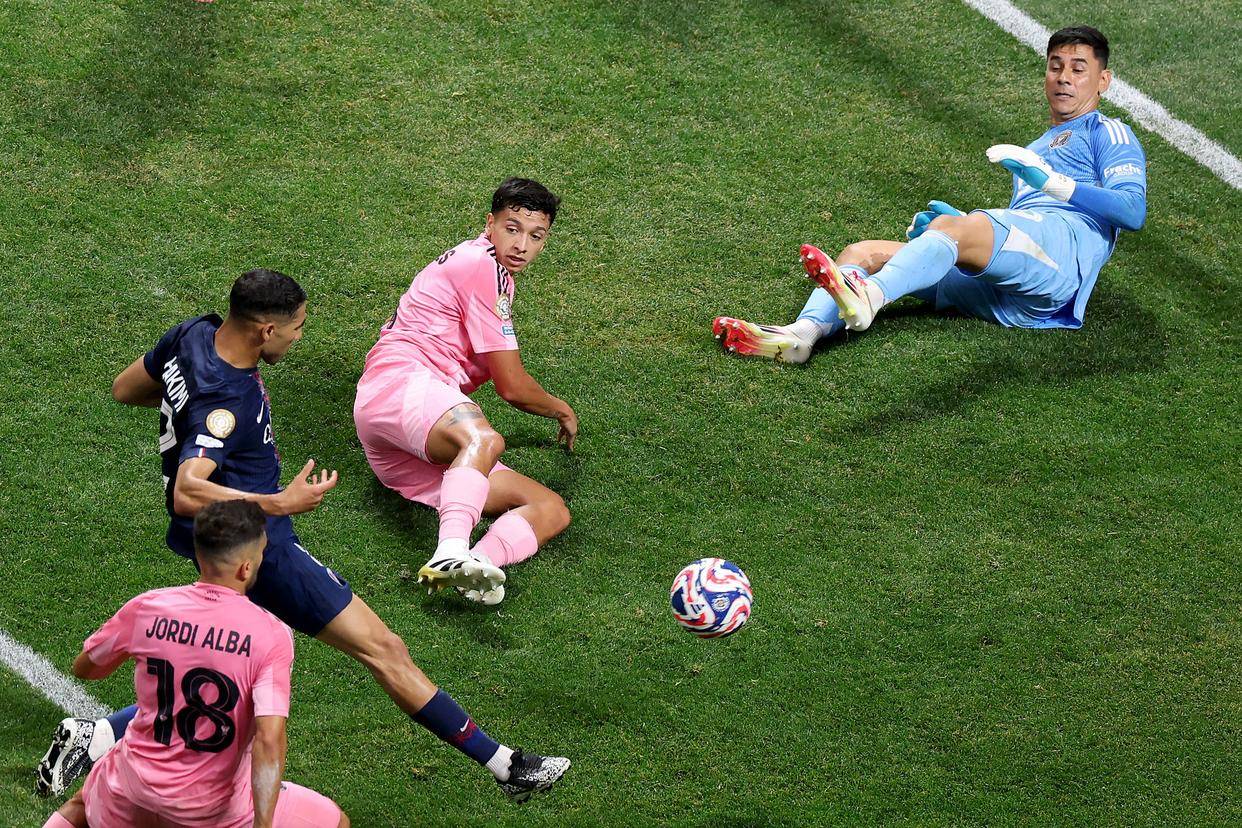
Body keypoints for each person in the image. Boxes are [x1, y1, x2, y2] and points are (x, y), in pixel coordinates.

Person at [37, 269, 569, 803]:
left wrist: (187, 407)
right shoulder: (227, 402)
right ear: (265, 330)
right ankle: (507, 766)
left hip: (213, 538)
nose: (298, 337)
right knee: (382, 649)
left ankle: (97, 736)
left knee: (240, 666)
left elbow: (126, 388)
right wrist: (279, 502)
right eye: (296, 327)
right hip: (258, 546)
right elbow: (187, 489)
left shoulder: (193, 334)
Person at [713, 26, 1146, 363]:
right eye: (1055, 66)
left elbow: (1131, 211)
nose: (1064, 77)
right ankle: (801, 335)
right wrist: (956, 235)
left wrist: (1053, 184)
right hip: (1008, 292)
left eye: (1078, 68)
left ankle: (872, 296)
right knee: (863, 253)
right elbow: (1024, 231)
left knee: (954, 230)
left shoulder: (1107, 131)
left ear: (1103, 80)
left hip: (1062, 261)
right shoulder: (1034, 148)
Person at [42, 500, 347, 828]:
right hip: (208, 814)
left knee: (87, 797)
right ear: (246, 568)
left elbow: (86, 668)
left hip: (129, 795)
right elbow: (269, 740)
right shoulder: (270, 635)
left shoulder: (148, 607)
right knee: (335, 821)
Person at [354, 177, 576, 606]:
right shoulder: (481, 265)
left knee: (551, 509)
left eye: (536, 236)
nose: (522, 245)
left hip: (409, 443)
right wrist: (561, 409)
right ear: (490, 224)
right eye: (512, 229)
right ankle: (450, 551)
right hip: (400, 385)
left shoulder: (491, 271)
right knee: (485, 439)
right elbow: (511, 386)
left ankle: (475, 565)